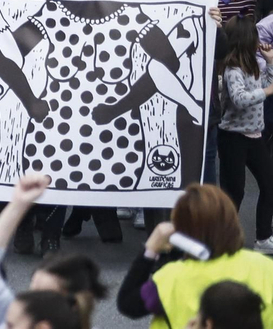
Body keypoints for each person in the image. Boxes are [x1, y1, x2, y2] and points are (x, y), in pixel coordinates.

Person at [117, 183, 273, 328]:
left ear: (180, 231)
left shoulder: (171, 279)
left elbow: (128, 304)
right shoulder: (266, 267)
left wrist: (151, 249)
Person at [213, 17, 273, 250]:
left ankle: (263, 238)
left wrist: (269, 64)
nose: (260, 40)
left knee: (269, 185)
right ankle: (222, 240)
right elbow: (240, 99)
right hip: (233, 138)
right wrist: (267, 91)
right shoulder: (232, 70)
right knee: (234, 192)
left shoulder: (254, 66)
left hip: (255, 136)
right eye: (256, 37)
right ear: (247, 41)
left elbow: (267, 83)